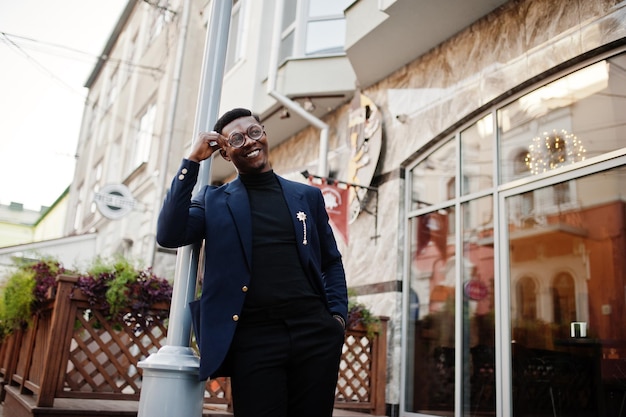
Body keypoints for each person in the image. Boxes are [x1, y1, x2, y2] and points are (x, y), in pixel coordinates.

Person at [156, 108, 348, 417]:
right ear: (227, 154)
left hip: (314, 333)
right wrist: (190, 162)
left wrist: (337, 318)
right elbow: (169, 233)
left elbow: (330, 262)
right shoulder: (213, 200)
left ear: (265, 134)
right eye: (236, 138)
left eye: (254, 132)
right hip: (253, 338)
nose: (249, 141)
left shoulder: (307, 197)